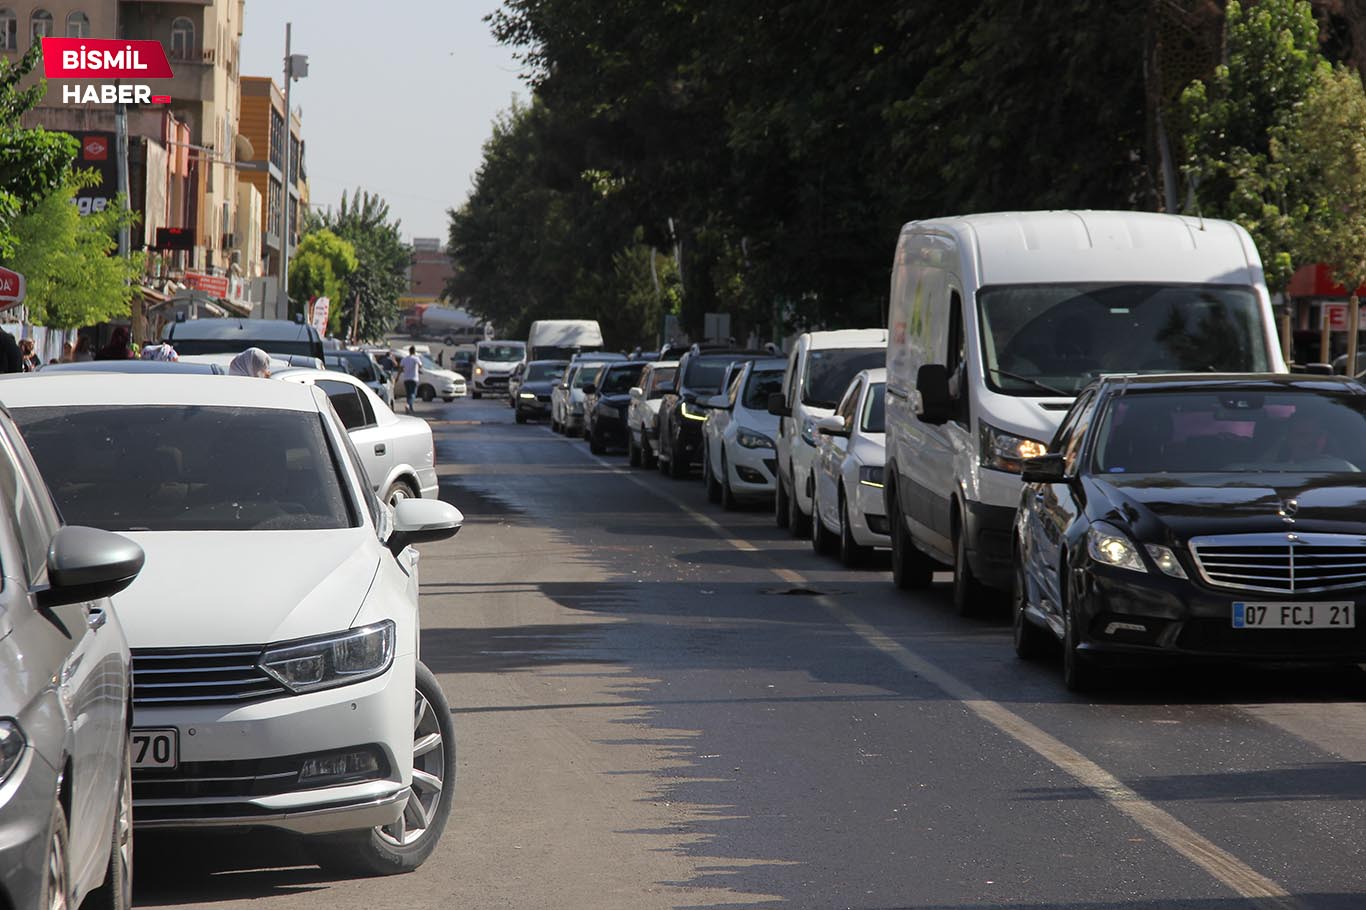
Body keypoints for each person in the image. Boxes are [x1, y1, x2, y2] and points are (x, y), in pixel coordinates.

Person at [400, 345, 422, 414]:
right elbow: (421, 365)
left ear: (409, 351)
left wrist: (398, 376)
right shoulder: (416, 358)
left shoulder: (405, 359)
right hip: (413, 378)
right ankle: (408, 405)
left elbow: (400, 368)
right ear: (414, 351)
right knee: (413, 394)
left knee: (408, 394)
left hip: (406, 378)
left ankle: (410, 408)